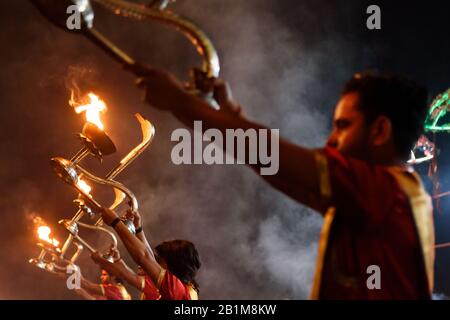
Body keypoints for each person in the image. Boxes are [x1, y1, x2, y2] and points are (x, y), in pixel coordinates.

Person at [127, 66, 435, 300]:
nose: (331, 139)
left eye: (343, 126)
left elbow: (270, 156)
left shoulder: (382, 189)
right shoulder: (390, 197)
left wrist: (181, 103)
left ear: (380, 131)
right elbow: (278, 169)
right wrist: (231, 116)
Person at [94, 209, 201, 300]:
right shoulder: (183, 289)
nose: (155, 263)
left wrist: (115, 222)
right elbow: (148, 257)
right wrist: (138, 228)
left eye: (160, 260)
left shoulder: (176, 289)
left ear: (172, 265)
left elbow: (144, 257)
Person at [57, 264, 131, 300]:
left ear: (113, 276)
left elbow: (87, 285)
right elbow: (87, 296)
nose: (101, 277)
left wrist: (72, 271)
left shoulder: (115, 290)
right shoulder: (119, 291)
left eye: (104, 275)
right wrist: (69, 278)